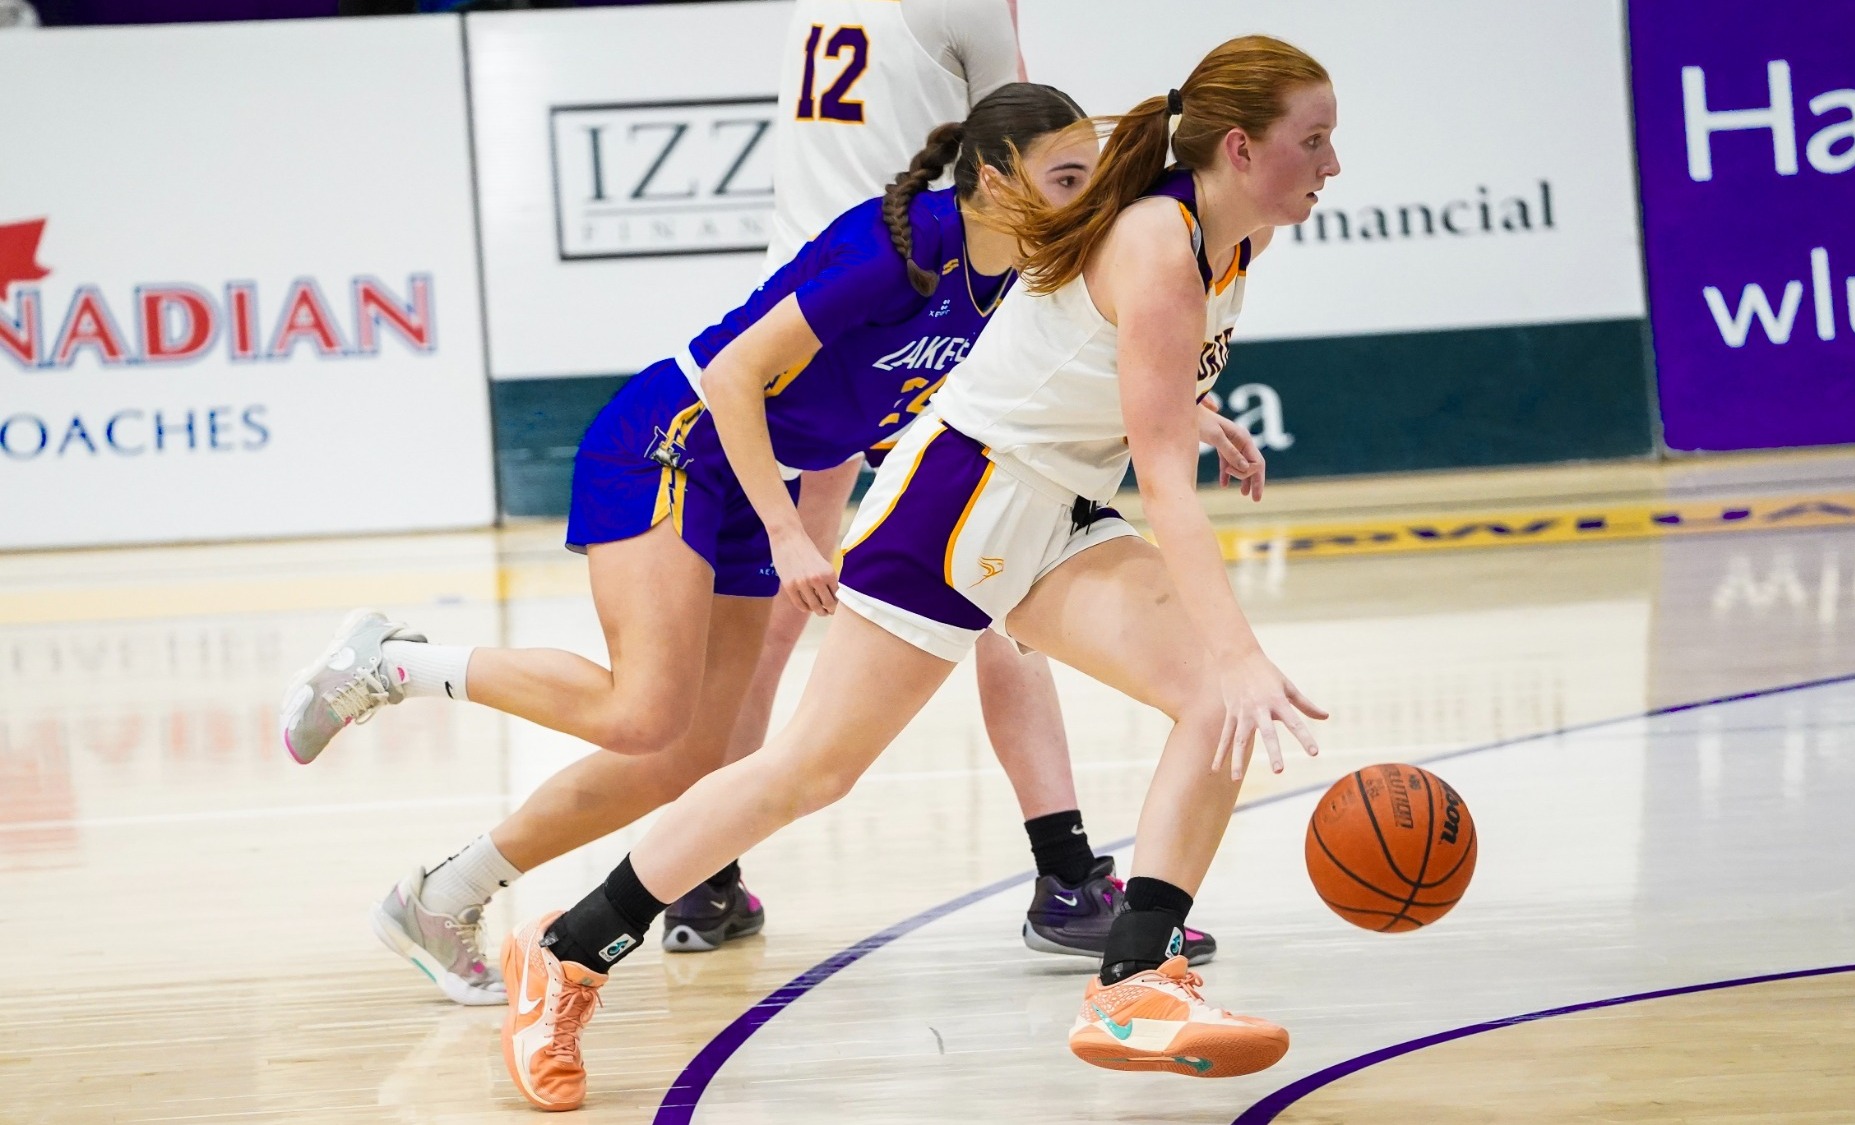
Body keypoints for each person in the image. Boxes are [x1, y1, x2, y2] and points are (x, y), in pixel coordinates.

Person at [498, 34, 1338, 1111]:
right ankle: (566, 951)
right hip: (957, 500)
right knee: (808, 772)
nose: (1329, 164)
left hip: (1050, 503)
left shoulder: (1231, 242)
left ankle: (1134, 983)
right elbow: (1165, 489)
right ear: (1238, 145)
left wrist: (1192, 416)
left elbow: (1098, 355)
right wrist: (1242, 645)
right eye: (1311, 142)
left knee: (1212, 704)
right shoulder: (1158, 238)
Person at [275, 85, 1102, 1012]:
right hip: (676, 436)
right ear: (993, 177)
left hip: (763, 474)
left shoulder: (1016, 282)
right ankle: (391, 666)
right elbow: (736, 372)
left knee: (693, 755)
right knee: (641, 713)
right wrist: (793, 532)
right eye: (1067, 179)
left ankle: (442, 897)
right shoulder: (888, 250)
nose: (1089, 201)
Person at [734, 0, 1216, 972]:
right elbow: (1031, 150)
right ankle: (1066, 875)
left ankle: (702, 865)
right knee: (1000, 573)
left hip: (821, 277)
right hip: (927, 286)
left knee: (790, 599)